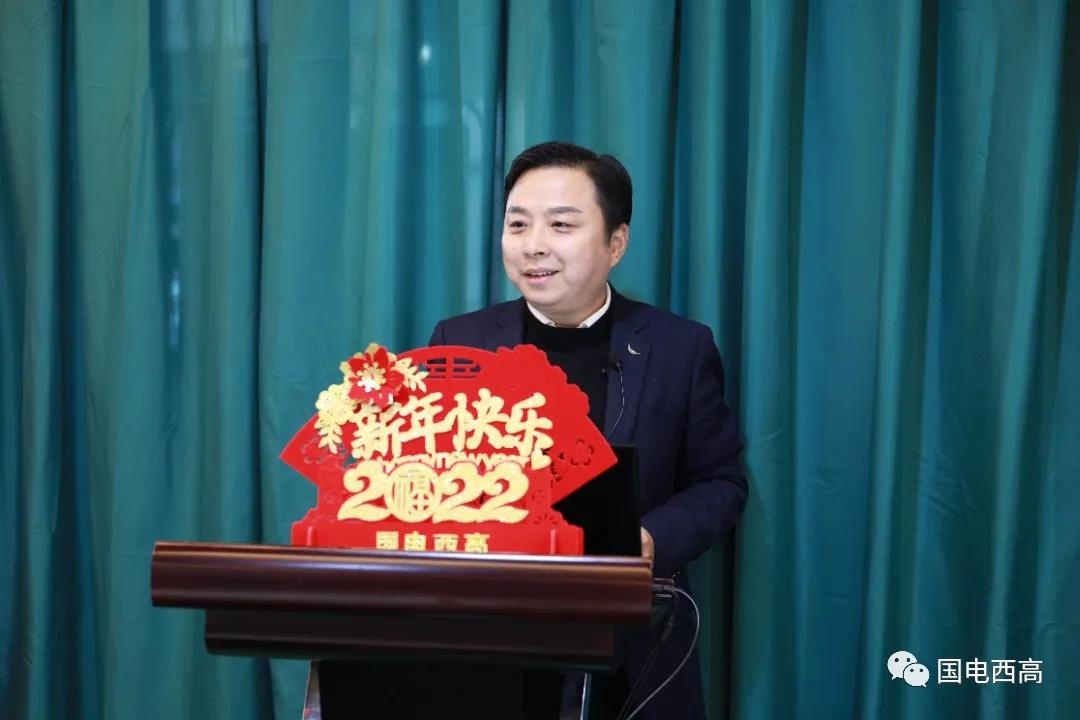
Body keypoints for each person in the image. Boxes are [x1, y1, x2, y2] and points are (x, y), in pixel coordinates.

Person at [428, 141, 748, 719]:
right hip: (489, 641)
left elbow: (721, 482)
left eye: (561, 225)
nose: (534, 245)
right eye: (518, 224)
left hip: (629, 645)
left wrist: (649, 538)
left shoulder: (679, 348)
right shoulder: (461, 342)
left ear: (615, 243)